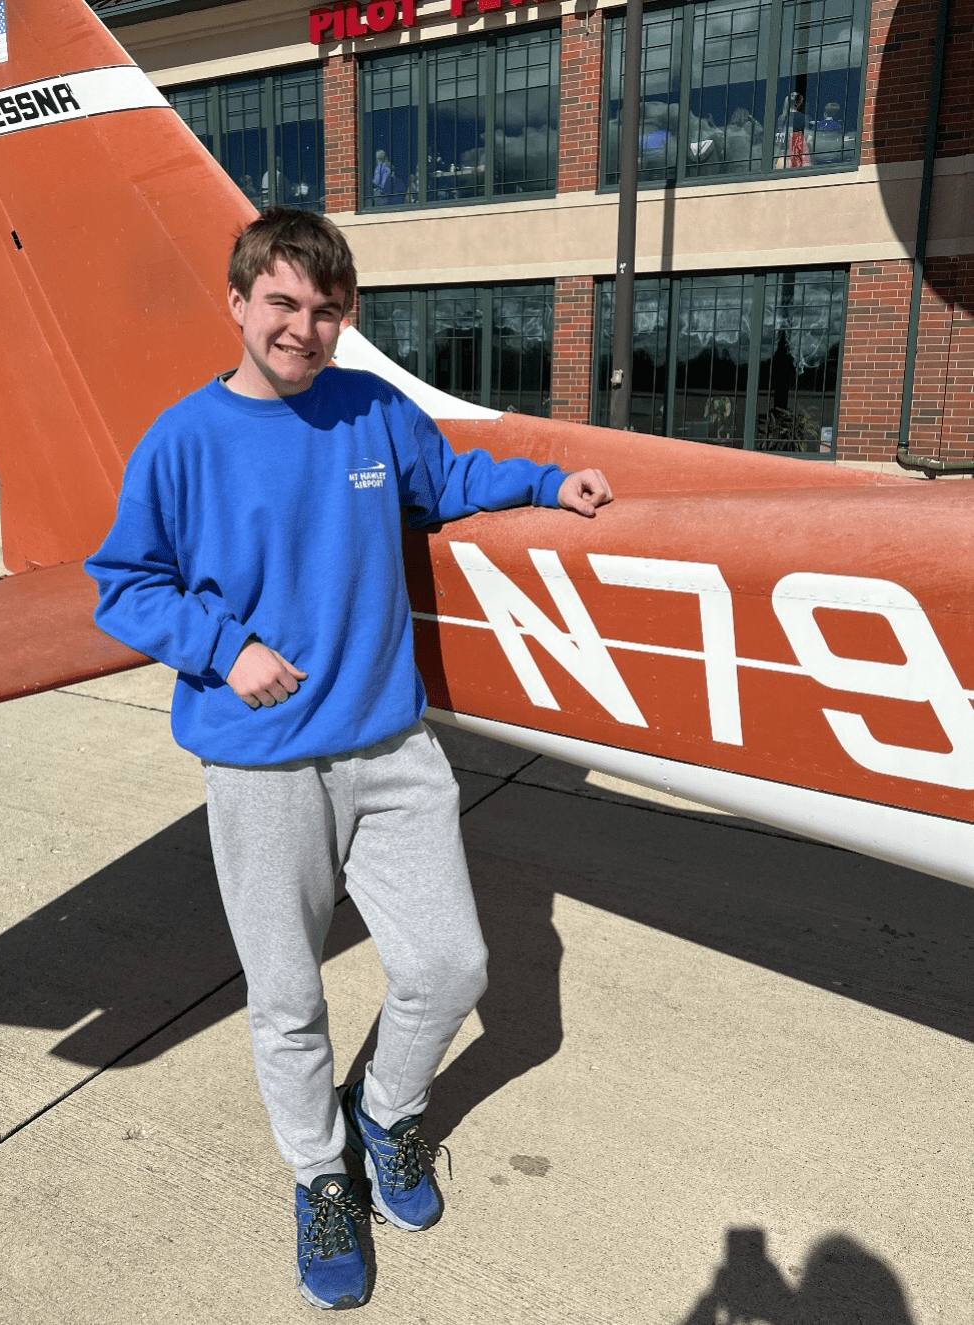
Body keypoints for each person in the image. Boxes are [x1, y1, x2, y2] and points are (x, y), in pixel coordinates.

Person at [84, 207, 612, 1311]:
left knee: (451, 964)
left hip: (392, 746)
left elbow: (449, 478)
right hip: (263, 762)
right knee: (287, 1000)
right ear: (237, 304)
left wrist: (542, 481)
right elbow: (124, 584)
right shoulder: (182, 439)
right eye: (282, 303)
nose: (304, 327)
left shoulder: (372, 408)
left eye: (326, 309)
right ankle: (324, 1176)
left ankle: (384, 1113)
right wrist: (225, 650)